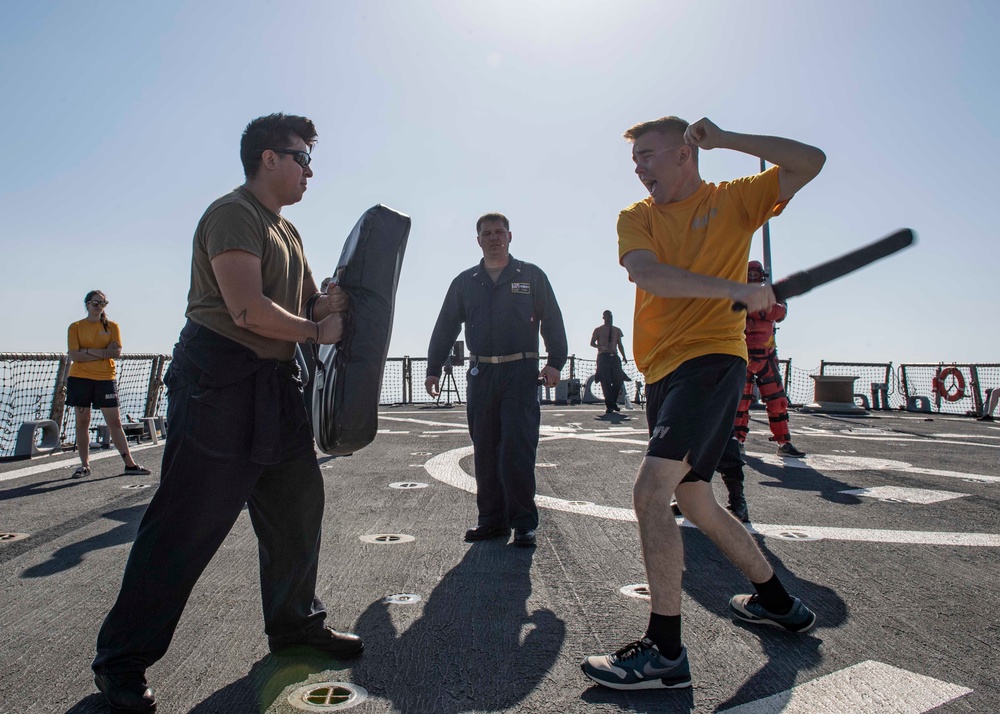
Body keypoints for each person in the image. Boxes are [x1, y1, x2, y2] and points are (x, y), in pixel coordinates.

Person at [91, 114, 362, 713]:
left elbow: (306, 301)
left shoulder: (285, 231)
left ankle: (294, 624)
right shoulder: (233, 214)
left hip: (272, 386)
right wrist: (319, 328)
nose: (310, 170)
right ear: (269, 158)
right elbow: (246, 309)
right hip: (219, 383)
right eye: (302, 157)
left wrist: (331, 301)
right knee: (184, 527)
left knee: (296, 509)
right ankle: (121, 662)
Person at [581, 116, 825, 690]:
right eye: (634, 159)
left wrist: (731, 140)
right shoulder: (636, 217)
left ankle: (665, 654)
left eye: (647, 155)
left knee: (650, 493)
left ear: (685, 153)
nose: (638, 167)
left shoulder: (736, 201)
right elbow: (650, 275)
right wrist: (738, 290)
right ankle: (778, 602)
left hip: (712, 360)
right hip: (663, 372)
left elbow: (809, 160)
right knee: (698, 504)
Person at [426, 212, 568, 548]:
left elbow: (552, 319)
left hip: (521, 373)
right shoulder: (466, 281)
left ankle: (523, 524)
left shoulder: (531, 276)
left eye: (499, 232)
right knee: (485, 448)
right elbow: (446, 325)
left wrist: (555, 362)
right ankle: (492, 521)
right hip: (482, 374)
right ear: (478, 240)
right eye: (487, 233)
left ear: (510, 236)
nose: (494, 237)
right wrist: (433, 368)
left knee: (517, 449)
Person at [65, 290, 151, 479]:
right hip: (80, 378)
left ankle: (130, 464)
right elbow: (74, 355)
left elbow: (116, 353)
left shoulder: (112, 327)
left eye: (103, 303)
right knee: (82, 422)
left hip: (105, 378)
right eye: (95, 303)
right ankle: (84, 465)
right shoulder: (76, 327)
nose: (99, 307)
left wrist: (88, 351)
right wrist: (102, 352)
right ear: (87, 304)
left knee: (114, 422)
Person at [734, 260, 806, 457]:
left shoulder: (748, 296)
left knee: (777, 402)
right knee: (741, 403)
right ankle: (737, 441)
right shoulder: (740, 295)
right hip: (745, 355)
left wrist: (759, 308)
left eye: (755, 275)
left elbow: (778, 312)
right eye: (750, 275)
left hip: (765, 357)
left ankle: (784, 442)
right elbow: (775, 311)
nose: (752, 279)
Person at [590, 310, 629, 414]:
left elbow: (619, 344)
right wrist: (599, 346)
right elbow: (592, 343)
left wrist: (624, 356)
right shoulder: (598, 330)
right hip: (603, 357)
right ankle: (610, 405)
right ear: (603, 318)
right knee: (605, 381)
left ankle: (613, 402)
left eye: (610, 316)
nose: (608, 318)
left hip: (614, 357)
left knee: (618, 380)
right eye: (606, 316)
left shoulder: (617, 330)